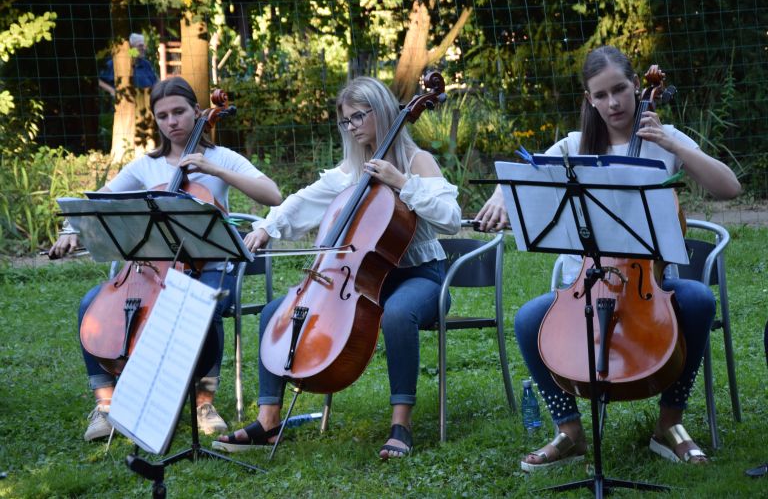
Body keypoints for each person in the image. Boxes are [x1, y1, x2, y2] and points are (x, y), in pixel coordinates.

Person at [476, 45, 741, 470]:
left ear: (638, 86)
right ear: (589, 99)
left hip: (653, 286)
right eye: (601, 95)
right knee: (528, 319)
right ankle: (569, 431)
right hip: (586, 285)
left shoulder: (664, 140)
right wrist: (500, 198)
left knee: (697, 300)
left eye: (620, 89)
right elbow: (518, 176)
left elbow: (729, 187)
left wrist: (671, 142)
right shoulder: (572, 146)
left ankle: (669, 426)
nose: (613, 102)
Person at [212, 76, 462, 459]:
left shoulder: (417, 161)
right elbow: (300, 201)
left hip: (419, 276)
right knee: (273, 312)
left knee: (397, 313)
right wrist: (267, 226)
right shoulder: (352, 171)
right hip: (361, 279)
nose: (352, 127)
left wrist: (402, 183)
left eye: (358, 117)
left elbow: (451, 218)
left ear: (381, 111)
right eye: (346, 121)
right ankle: (268, 421)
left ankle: (401, 423)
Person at [49, 76, 283, 441]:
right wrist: (70, 231)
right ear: (156, 121)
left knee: (204, 304)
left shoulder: (221, 158)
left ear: (196, 111)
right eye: (163, 116)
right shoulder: (147, 166)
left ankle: (203, 400)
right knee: (89, 304)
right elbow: (100, 202)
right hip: (150, 270)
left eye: (179, 112)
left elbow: (273, 195)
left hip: (211, 268)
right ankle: (106, 404)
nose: (172, 121)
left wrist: (215, 170)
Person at [98, 33, 158, 97]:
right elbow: (99, 80)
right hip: (124, 105)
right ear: (130, 48)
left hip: (146, 103)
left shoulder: (146, 64)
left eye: (144, 46)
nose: (144, 48)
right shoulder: (116, 63)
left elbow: (156, 83)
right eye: (140, 46)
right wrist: (112, 91)